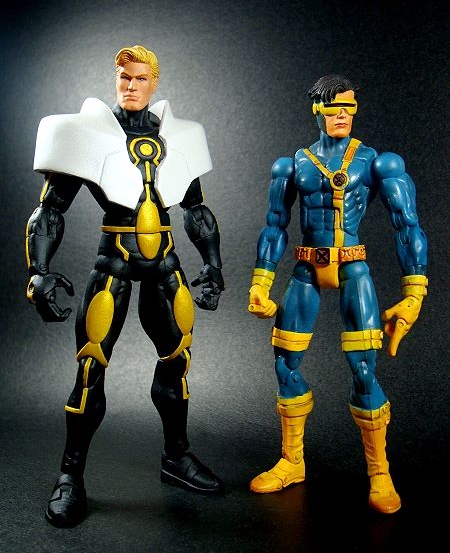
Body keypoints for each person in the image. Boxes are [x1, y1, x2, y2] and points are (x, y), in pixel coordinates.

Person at [26, 45, 225, 528]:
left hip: (165, 264)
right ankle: (70, 474)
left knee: (177, 361)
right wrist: (38, 270)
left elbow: (195, 208)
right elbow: (50, 208)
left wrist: (213, 264)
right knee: (91, 366)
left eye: (139, 78)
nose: (130, 85)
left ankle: (176, 456)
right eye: (123, 77)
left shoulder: (177, 136)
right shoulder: (89, 133)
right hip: (113, 262)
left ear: (154, 82)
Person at [247, 74, 428, 514]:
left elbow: (407, 225)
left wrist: (414, 292)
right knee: (285, 363)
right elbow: (274, 225)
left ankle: (380, 472)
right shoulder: (293, 164)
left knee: (364, 370)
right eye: (334, 109)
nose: (343, 115)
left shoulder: (376, 162)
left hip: (353, 268)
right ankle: (292, 461)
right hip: (306, 268)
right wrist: (260, 283)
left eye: (349, 108)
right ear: (317, 111)